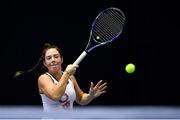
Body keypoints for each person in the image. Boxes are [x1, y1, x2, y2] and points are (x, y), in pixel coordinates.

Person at [15, 43, 107, 111]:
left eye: (56, 56)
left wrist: (91, 96)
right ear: (45, 63)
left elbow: (81, 99)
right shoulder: (43, 78)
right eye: (49, 58)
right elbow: (55, 95)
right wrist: (66, 74)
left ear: (62, 59)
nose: (53, 60)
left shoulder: (71, 78)